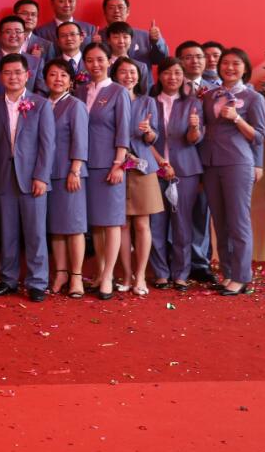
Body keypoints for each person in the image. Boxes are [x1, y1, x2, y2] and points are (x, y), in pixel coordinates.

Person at [0, 54, 55, 302]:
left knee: (35, 233)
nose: (13, 77)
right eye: (7, 72)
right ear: (0, 76)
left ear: (27, 75)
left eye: (18, 72)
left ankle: (37, 282)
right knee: (7, 232)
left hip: (32, 179)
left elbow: (47, 145)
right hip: (2, 176)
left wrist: (41, 176)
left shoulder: (41, 104)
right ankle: (8, 279)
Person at [200, 48, 265, 296]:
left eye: (236, 63)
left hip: (237, 162)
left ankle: (241, 276)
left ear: (245, 68)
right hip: (210, 163)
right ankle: (228, 273)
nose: (229, 68)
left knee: (238, 221)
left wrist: (237, 118)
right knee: (220, 222)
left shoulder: (253, 98)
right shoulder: (210, 96)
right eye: (225, 63)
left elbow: (258, 136)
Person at [76, 42, 131, 300]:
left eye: (100, 59)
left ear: (110, 61)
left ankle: (109, 275)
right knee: (96, 223)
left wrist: (119, 163)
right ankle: (99, 271)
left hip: (109, 164)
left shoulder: (118, 91)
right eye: (89, 60)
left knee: (111, 222)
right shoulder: (80, 91)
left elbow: (123, 130)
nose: (95, 64)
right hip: (84, 164)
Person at [147, 57, 204, 291]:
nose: (173, 77)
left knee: (182, 224)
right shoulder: (149, 102)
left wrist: (194, 127)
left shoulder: (193, 103)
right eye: (167, 73)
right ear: (159, 76)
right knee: (156, 223)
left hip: (186, 170)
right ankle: (160, 273)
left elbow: (194, 140)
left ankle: (181, 273)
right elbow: (143, 139)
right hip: (154, 169)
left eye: (178, 73)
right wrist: (160, 161)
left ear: (184, 77)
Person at [112, 57, 164, 295]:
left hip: (142, 167)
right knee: (121, 225)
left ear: (139, 76)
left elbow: (153, 138)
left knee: (142, 224)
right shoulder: (109, 99)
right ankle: (126, 274)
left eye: (132, 72)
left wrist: (149, 132)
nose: (128, 76)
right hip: (116, 166)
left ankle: (141, 276)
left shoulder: (147, 101)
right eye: (123, 72)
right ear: (115, 75)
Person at [44, 59, 89, 298]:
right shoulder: (41, 104)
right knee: (57, 227)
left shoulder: (75, 105)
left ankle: (76, 276)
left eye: (63, 75)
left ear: (71, 81)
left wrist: (75, 170)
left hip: (70, 172)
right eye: (53, 74)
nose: (58, 79)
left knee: (74, 226)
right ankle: (60, 272)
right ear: (45, 79)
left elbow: (80, 139)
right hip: (46, 174)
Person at [175, 40, 218, 283]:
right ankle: (176, 261)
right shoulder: (169, 87)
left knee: (202, 212)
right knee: (174, 213)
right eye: (189, 57)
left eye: (199, 56)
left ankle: (200, 263)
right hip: (177, 159)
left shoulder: (216, 90)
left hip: (208, 159)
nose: (196, 61)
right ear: (180, 61)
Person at [99, 0, 168, 67]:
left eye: (120, 7)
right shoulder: (98, 36)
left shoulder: (145, 36)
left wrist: (156, 42)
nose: (116, 11)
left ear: (128, 11)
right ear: (105, 12)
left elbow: (161, 60)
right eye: (111, 7)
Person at [0, 15, 46, 96]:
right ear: (0, 35)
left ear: (24, 35)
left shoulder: (36, 62)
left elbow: (41, 90)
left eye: (18, 31)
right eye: (8, 32)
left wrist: (30, 103)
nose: (13, 35)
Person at [105, 22, 152, 97]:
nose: (121, 41)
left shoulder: (141, 67)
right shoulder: (103, 66)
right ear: (108, 40)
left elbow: (143, 95)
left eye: (125, 37)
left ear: (131, 40)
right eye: (116, 37)